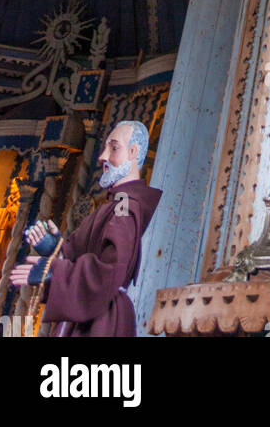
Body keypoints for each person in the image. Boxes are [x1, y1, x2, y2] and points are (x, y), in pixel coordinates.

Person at [10, 119, 161, 336]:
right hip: (91, 314)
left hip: (102, 321)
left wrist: (56, 272)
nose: (103, 157)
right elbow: (84, 254)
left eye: (114, 148)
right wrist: (55, 249)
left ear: (133, 152)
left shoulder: (125, 206)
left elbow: (112, 268)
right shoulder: (115, 204)